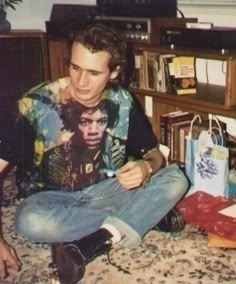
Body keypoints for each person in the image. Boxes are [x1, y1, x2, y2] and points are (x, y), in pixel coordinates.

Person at [0, 22, 189, 283]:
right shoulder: (34, 105)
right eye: (75, 67)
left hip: (104, 191)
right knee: (29, 222)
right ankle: (145, 215)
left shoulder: (122, 100)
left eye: (93, 72)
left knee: (177, 177)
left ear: (114, 72)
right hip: (48, 199)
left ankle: (97, 240)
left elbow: (155, 155)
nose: (80, 81)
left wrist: (146, 167)